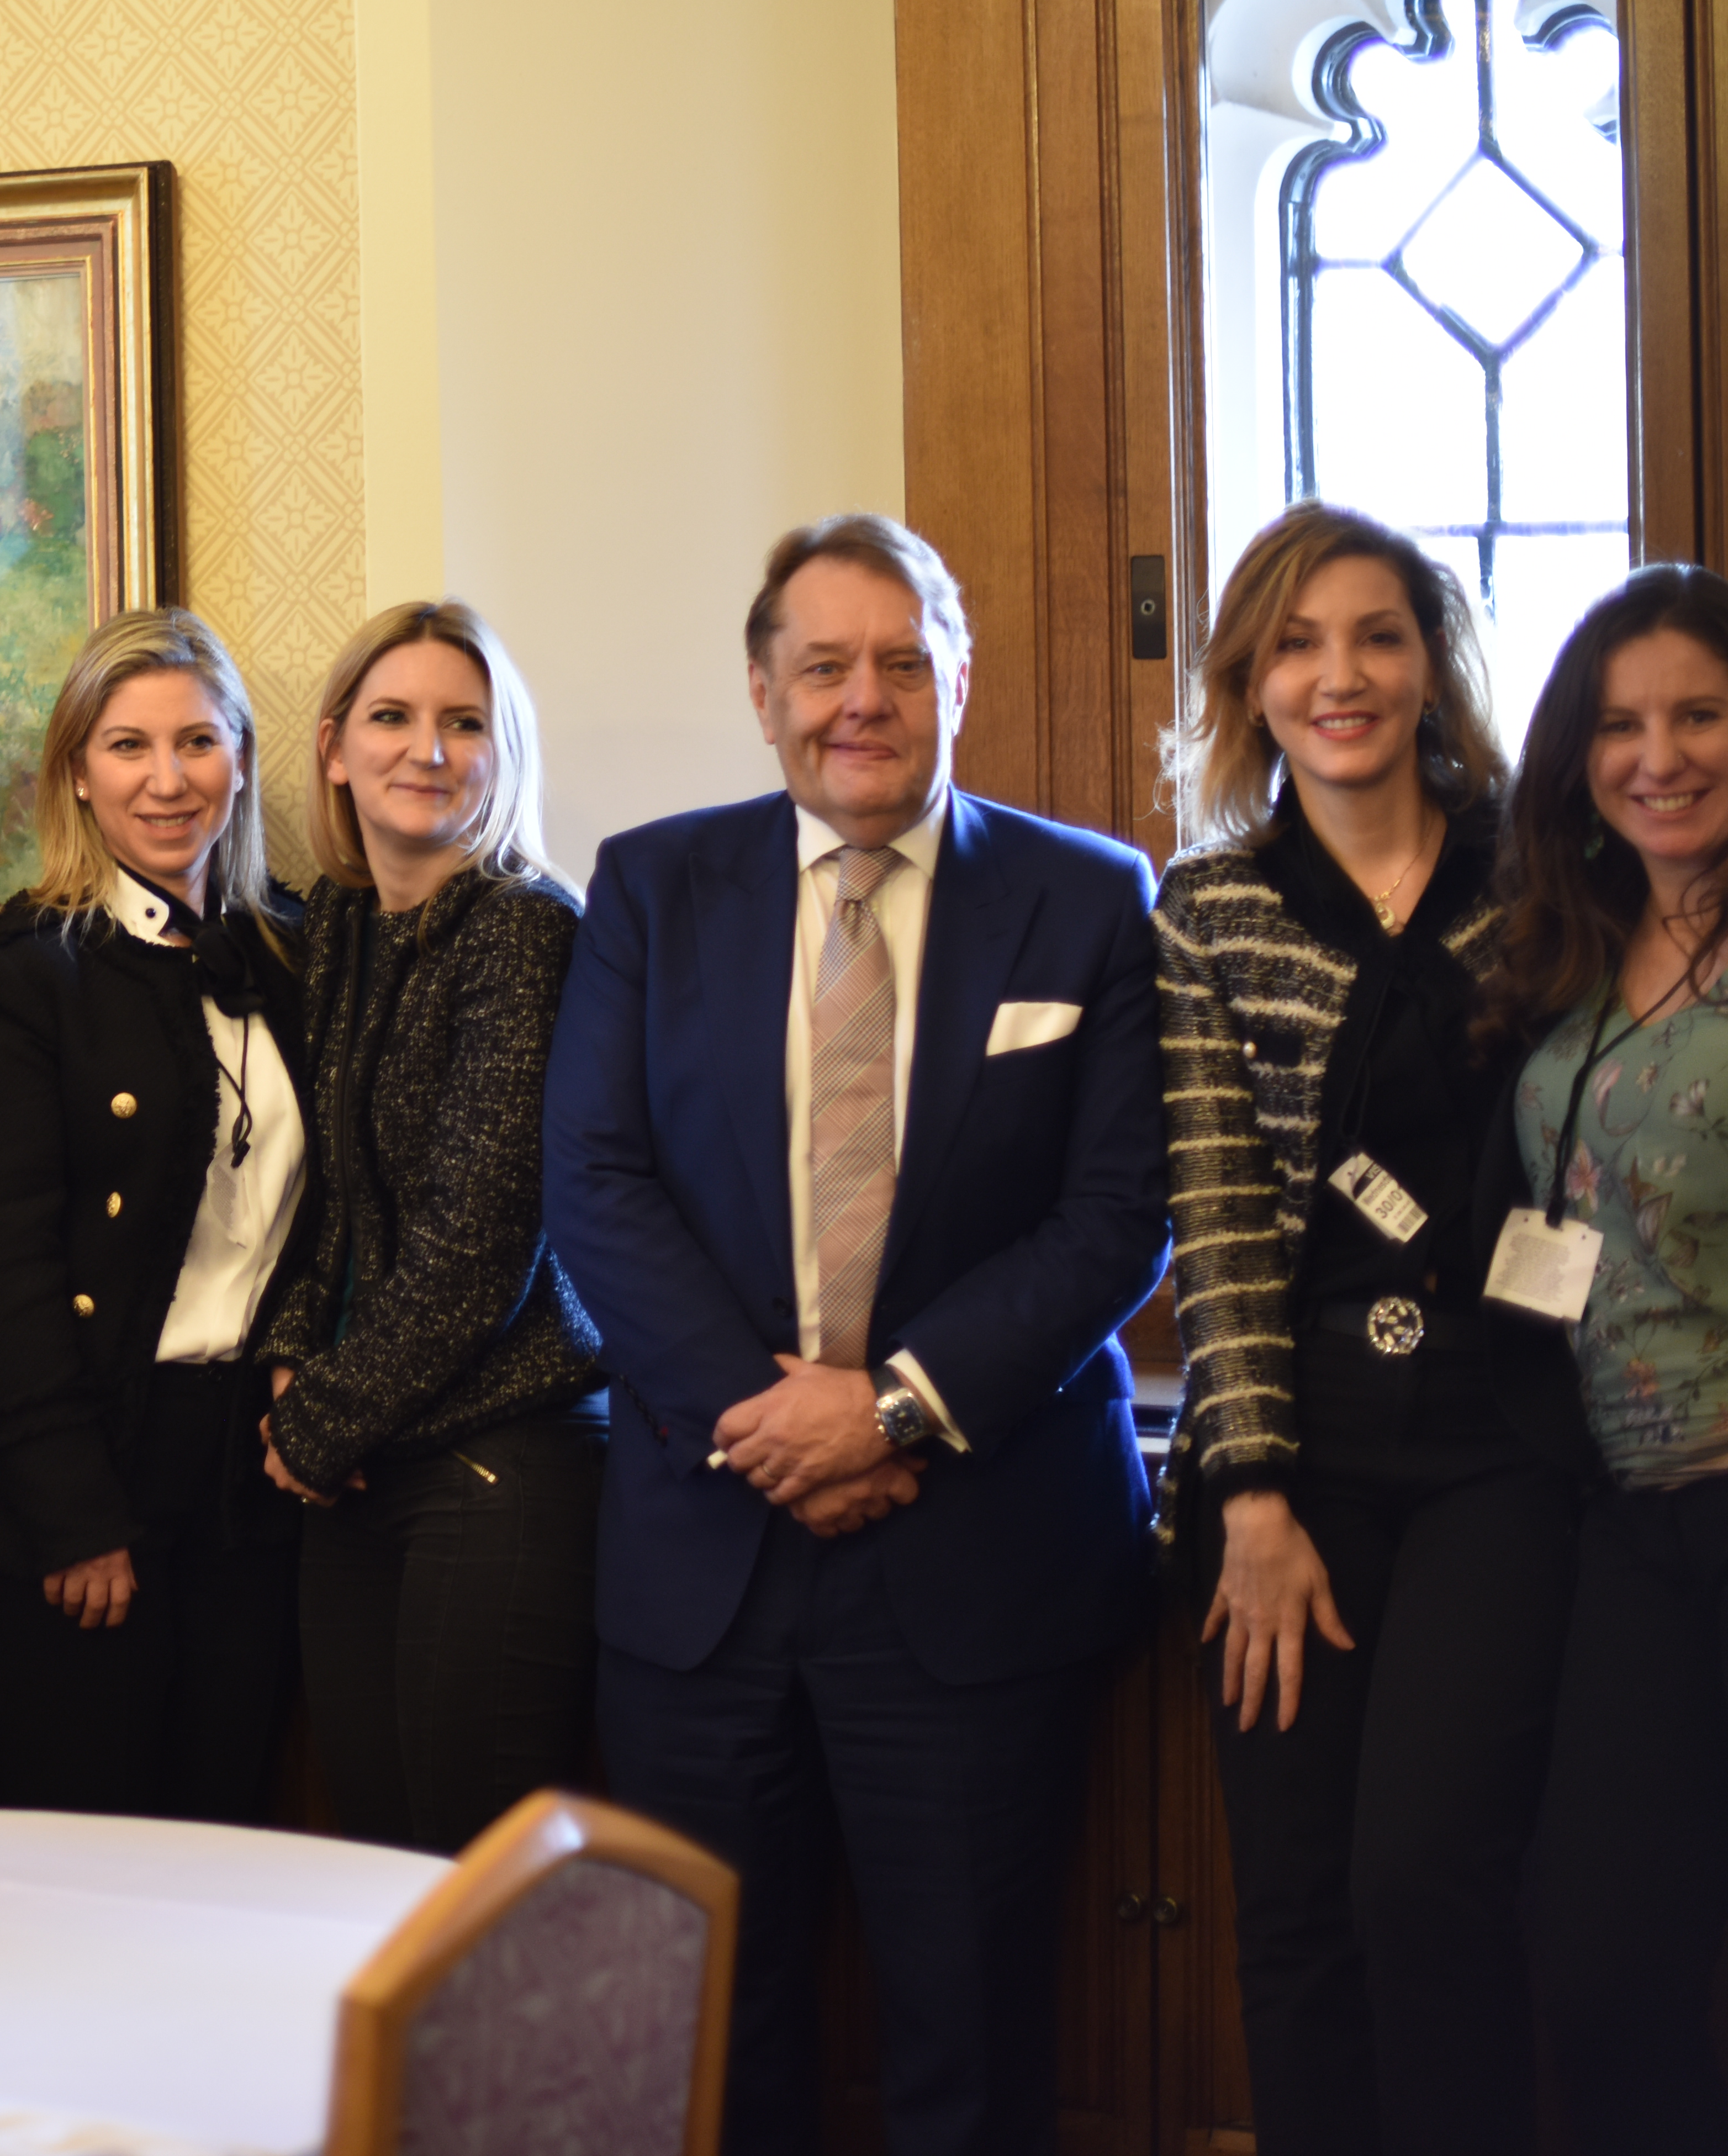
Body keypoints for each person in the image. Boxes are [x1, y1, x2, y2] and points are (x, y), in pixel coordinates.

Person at [542, 512, 1167, 2156]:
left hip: (978, 1558)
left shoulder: (1090, 902)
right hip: (708, 1554)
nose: (862, 701)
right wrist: (772, 1417)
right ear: (762, 694)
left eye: (902, 662)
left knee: (970, 2034)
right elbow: (595, 1182)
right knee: (717, 2038)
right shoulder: (653, 888)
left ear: (961, 679)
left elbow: (1116, 1218)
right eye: (823, 666)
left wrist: (889, 1410)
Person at [1154, 504, 1574, 2156]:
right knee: (1300, 1907)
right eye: (1298, 645)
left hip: (1500, 1454)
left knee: (1433, 1882)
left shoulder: (1541, 880)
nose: (1342, 676)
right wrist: (1250, 1494)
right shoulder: (1213, 912)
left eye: (1378, 637)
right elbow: (1220, 1218)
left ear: (1431, 666)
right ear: (1251, 685)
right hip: (1292, 1467)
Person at [0, 607, 311, 1823]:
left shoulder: (292, 952)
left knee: (225, 1834)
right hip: (78, 1476)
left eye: (195, 741)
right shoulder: (16, 971)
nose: (165, 779)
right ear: (76, 776)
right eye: (126, 745)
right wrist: (74, 1514)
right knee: (84, 1862)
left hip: (249, 1479)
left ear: (241, 757)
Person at [253, 599, 605, 1854]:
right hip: (358, 1454)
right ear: (335, 747)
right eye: (392, 717)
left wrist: (313, 1419)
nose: (428, 748)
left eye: (464, 722)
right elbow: (322, 1193)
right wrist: (299, 1356)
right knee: (372, 1859)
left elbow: (480, 1243)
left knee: (472, 1873)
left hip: (498, 1454)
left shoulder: (526, 930)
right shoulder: (336, 927)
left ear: (502, 753)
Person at [1486, 563, 1728, 2147]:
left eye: (1701, 714)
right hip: (1615, 1522)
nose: (1662, 756)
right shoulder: (1566, 956)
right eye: (1623, 725)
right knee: (1600, 1964)